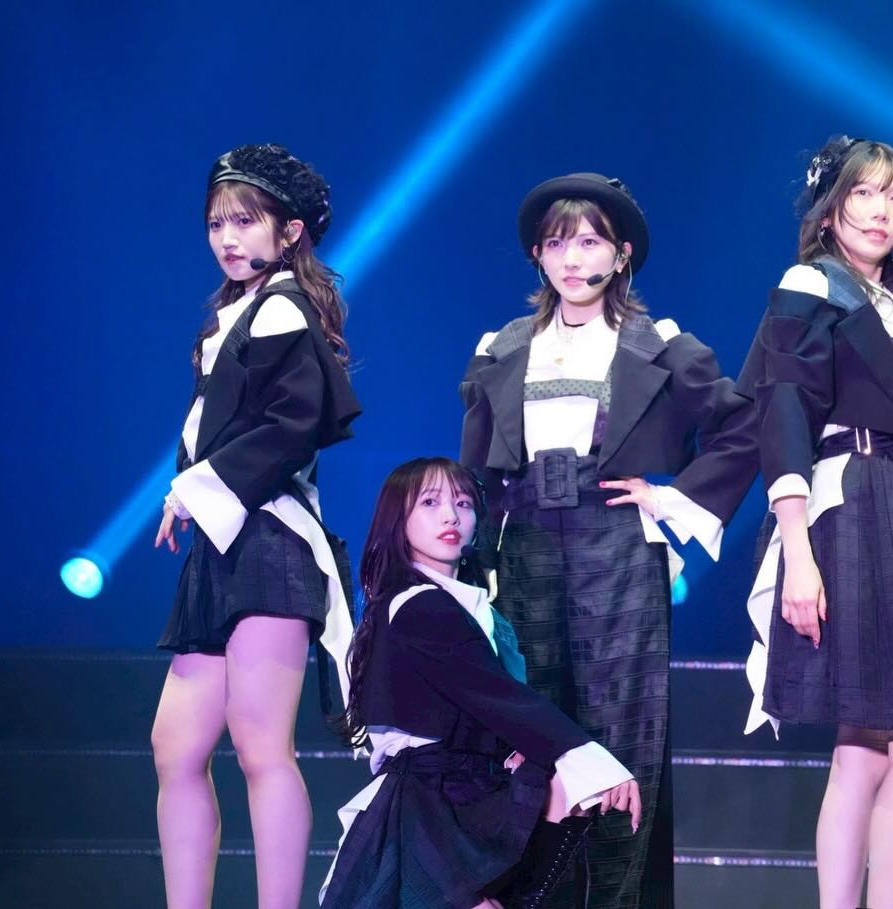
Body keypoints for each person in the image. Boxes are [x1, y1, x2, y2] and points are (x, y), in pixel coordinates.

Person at [459, 173, 755, 908]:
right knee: (529, 728)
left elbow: (742, 426)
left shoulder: (658, 344)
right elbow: (475, 472)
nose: (572, 258)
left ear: (621, 255)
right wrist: (469, 566)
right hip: (524, 548)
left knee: (621, 733)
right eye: (557, 242)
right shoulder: (503, 347)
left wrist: (671, 496)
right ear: (536, 254)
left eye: (589, 241)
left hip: (617, 547)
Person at [738, 136, 893, 909]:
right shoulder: (812, 284)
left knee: (867, 748)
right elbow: (782, 413)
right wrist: (796, 551)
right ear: (829, 208)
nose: (882, 211)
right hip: (850, 509)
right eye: (864, 193)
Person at [150, 143, 361, 909]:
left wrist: (197, 487)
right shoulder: (230, 314)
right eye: (216, 223)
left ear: (290, 230)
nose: (227, 238)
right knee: (175, 746)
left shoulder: (282, 307)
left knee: (260, 744)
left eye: (245, 222)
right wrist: (184, 489)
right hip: (222, 544)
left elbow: (293, 425)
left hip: (271, 542)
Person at [319, 456, 641, 909]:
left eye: (463, 503)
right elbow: (498, 696)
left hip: (468, 791)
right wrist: (592, 760)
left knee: (564, 790)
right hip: (429, 805)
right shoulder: (418, 606)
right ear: (398, 520)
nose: (451, 516)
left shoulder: (474, 611)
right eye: (430, 503)